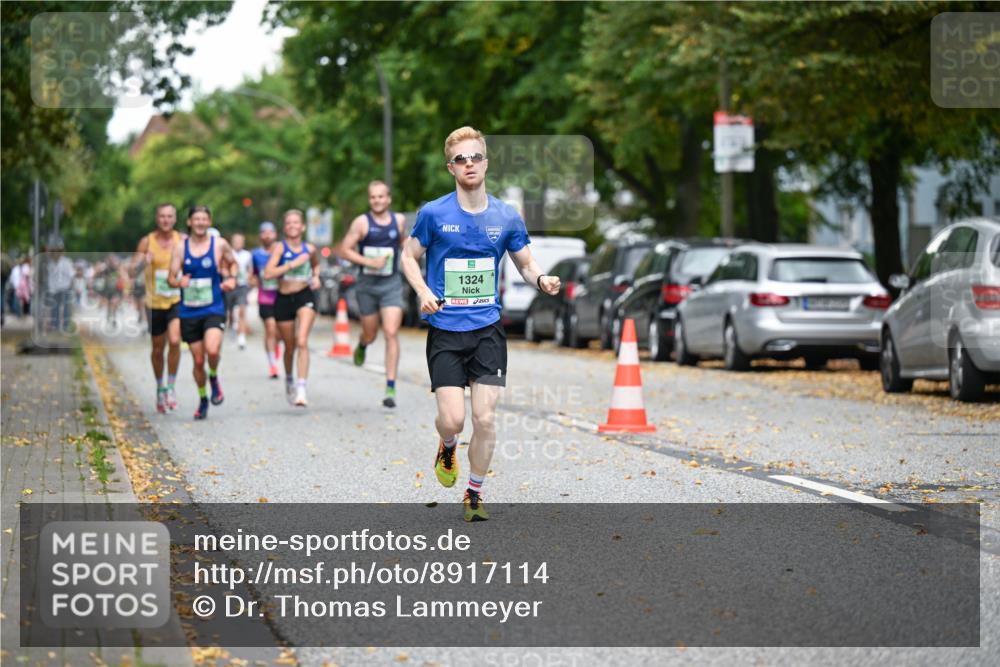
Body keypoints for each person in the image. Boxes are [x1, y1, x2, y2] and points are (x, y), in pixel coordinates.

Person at [400, 127, 561, 522]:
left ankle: (474, 493)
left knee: (486, 417)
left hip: (488, 329)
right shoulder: (434, 213)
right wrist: (422, 290)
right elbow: (407, 257)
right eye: (460, 159)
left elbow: (524, 262)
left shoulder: (505, 215)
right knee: (453, 418)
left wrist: (542, 279)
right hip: (446, 329)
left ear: (486, 163)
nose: (468, 164)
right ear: (450, 168)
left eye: (475, 157)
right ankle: (448, 442)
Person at [336, 180, 407, 408]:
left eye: (381, 196)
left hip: (391, 284)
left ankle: (390, 386)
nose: (377, 200)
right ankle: (363, 344)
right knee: (371, 333)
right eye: (373, 197)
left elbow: (403, 243)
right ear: (370, 200)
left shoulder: (399, 221)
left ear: (388, 199)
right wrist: (369, 261)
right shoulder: (361, 223)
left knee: (391, 331)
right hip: (367, 285)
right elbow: (344, 250)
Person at [167, 205, 237, 420]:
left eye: (204, 219)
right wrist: (179, 281)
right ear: (189, 222)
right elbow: (170, 278)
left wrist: (232, 279)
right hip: (189, 312)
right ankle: (203, 397)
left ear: (209, 221)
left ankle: (214, 377)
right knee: (198, 362)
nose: (200, 223)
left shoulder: (219, 244)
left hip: (213, 308)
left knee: (213, 351)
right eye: (196, 219)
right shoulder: (180, 248)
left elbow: (233, 264)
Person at [130, 203, 184, 414]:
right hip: (154, 302)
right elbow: (132, 270)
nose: (166, 220)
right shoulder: (147, 241)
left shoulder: (182, 241)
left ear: (175, 219)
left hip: (176, 299)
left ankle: (171, 387)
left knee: (175, 340)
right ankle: (160, 386)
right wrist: (143, 261)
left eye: (170, 216)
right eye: (162, 216)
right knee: (158, 348)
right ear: (156, 218)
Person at [263, 209, 320, 407]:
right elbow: (268, 273)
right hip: (284, 299)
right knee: (290, 346)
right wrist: (291, 265)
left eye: (296, 222)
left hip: (305, 296)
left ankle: (301, 388)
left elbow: (315, 265)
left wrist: (316, 277)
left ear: (303, 226)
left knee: (302, 340)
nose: (293, 226)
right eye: (289, 223)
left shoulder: (310, 248)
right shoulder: (279, 247)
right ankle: (289, 377)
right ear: (285, 228)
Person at [251, 221, 282, 378]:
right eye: (264, 232)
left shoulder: (282, 250)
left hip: (282, 296)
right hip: (265, 298)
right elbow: (254, 275)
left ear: (275, 234)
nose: (267, 235)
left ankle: (276, 345)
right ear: (260, 236)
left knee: (280, 333)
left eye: (270, 232)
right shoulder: (255, 254)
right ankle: (272, 365)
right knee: (270, 328)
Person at [225, 232, 253, 350]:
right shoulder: (227, 253)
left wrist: (248, 279)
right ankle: (231, 326)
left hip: (242, 286)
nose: (238, 243)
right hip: (230, 286)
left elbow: (250, 269)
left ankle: (241, 337)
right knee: (230, 311)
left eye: (240, 241)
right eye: (236, 241)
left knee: (242, 310)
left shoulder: (247, 255)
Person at [43, 236, 74, 335]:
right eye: (54, 251)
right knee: (54, 308)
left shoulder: (66, 262)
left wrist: (71, 288)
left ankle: (65, 327)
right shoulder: (49, 263)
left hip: (65, 288)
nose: (56, 253)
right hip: (54, 289)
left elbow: (71, 275)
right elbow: (49, 277)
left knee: (65, 308)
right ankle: (55, 327)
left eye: (58, 251)